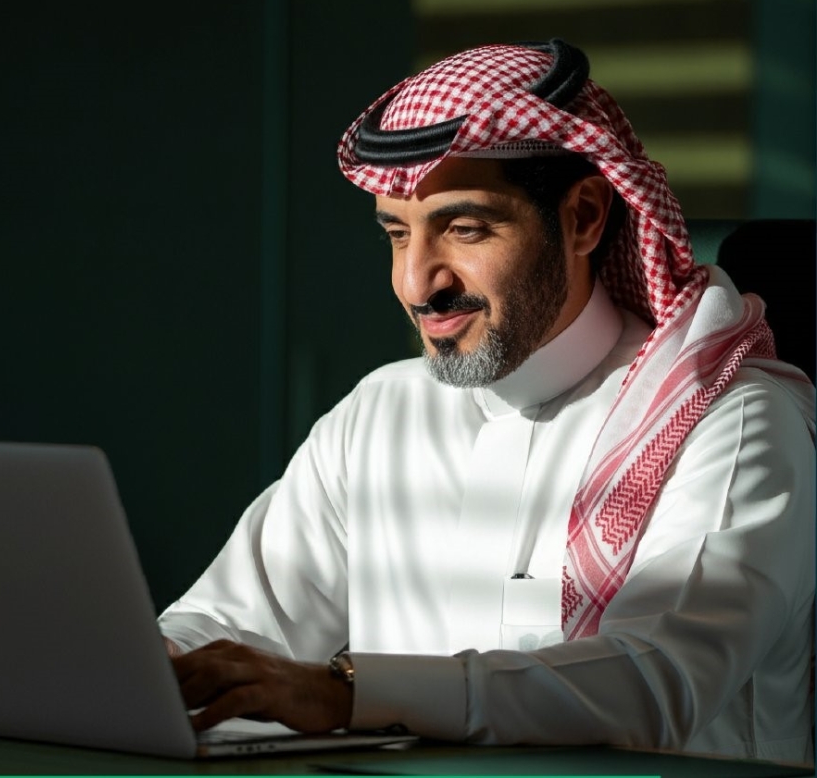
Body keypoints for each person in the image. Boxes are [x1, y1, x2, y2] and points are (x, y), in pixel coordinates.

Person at [158, 40, 815, 763]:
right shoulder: (379, 414)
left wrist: (347, 693)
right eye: (397, 235)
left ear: (584, 218)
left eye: (464, 229)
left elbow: (657, 681)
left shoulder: (729, 420)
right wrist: (154, 665)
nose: (418, 283)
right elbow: (227, 626)